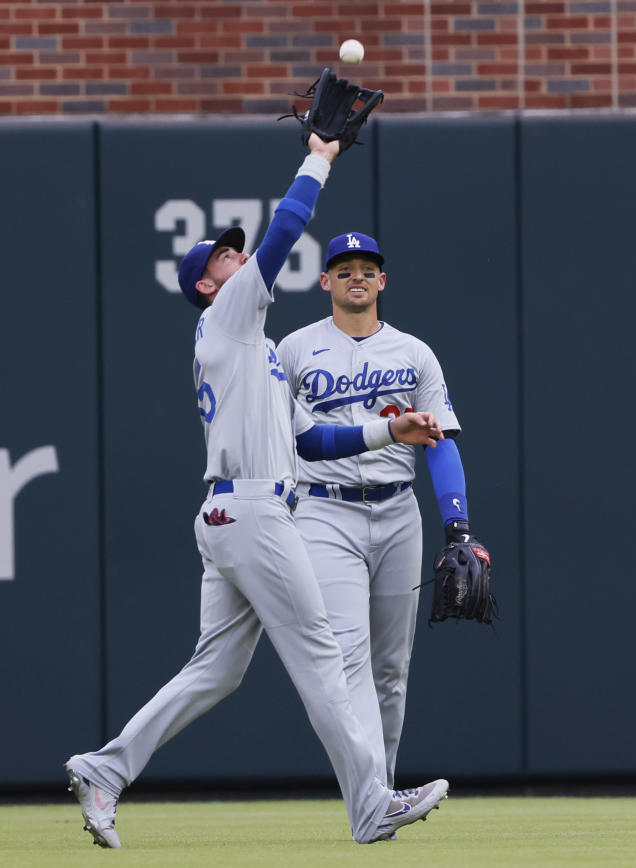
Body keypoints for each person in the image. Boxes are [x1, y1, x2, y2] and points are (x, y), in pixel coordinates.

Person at [64, 141, 451, 849]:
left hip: (230, 512)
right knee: (326, 655)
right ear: (208, 286)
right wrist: (320, 157)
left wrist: (391, 429)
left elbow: (313, 442)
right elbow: (281, 235)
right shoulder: (228, 318)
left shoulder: (257, 352)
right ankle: (371, 804)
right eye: (222, 256)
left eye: (233, 253)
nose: (237, 257)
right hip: (255, 511)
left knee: (214, 671)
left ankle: (104, 768)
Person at [277, 231, 479, 789]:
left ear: (382, 281)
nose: (356, 276)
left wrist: (457, 525)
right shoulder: (293, 350)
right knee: (348, 660)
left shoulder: (415, 353)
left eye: (366, 268)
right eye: (344, 269)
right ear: (325, 282)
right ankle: (368, 794)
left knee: (391, 670)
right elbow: (284, 438)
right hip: (324, 510)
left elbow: (441, 439)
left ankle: (382, 790)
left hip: (397, 512)